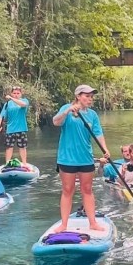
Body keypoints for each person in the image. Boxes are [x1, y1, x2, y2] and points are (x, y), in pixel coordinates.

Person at [53, 84, 110, 232]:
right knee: (67, 189)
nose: (90, 99)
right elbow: (56, 122)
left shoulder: (92, 115)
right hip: (67, 158)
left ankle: (93, 223)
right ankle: (64, 225)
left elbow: (98, 133)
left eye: (91, 97)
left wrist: (105, 149)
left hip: (85, 158)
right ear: (78, 96)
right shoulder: (67, 108)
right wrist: (67, 111)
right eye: (87, 96)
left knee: (87, 189)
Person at [0, 85, 30, 166]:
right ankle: (7, 163)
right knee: (9, 147)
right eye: (14, 93)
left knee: (22, 147)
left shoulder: (24, 101)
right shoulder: (8, 104)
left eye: (18, 93)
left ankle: (24, 163)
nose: (16, 94)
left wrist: (12, 98)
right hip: (10, 129)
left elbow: (23, 105)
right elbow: (1, 116)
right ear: (11, 93)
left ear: (21, 94)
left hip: (21, 129)